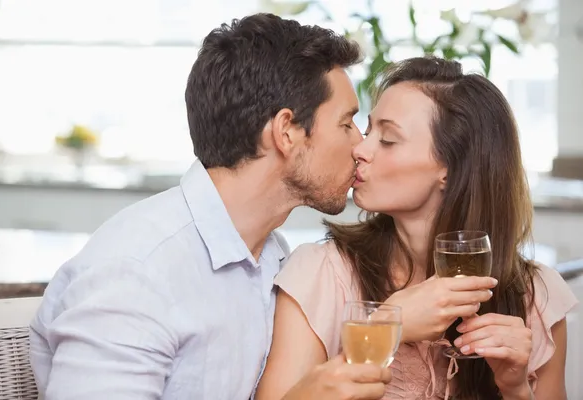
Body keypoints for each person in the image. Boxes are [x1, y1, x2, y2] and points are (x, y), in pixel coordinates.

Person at [29, 13, 393, 400]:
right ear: (286, 131)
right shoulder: (137, 272)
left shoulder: (272, 256)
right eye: (346, 123)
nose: (359, 145)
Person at [256, 56, 579, 400]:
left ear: (450, 169)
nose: (360, 149)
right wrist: (385, 328)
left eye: (388, 139)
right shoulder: (321, 275)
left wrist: (515, 388)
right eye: (368, 131)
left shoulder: (537, 296)